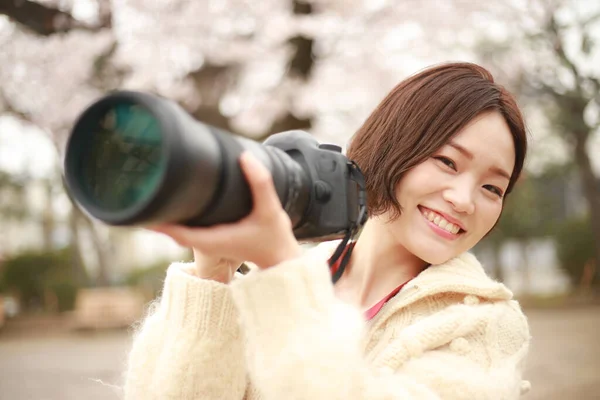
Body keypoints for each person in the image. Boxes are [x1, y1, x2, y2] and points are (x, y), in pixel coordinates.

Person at [123, 62, 531, 399]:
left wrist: (280, 268)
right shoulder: (282, 279)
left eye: (492, 188)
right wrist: (213, 278)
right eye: (448, 162)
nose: (464, 200)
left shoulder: (485, 324)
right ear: (396, 145)